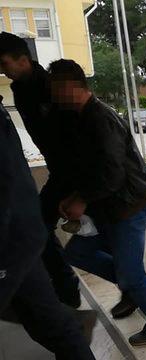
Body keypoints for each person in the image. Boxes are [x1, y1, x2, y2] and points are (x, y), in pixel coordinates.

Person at [48, 59, 146, 346]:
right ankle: (130, 287)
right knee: (78, 254)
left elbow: (112, 173)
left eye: (54, 88)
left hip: (128, 208)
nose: (52, 96)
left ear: (69, 87)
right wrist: (73, 196)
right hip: (106, 208)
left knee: (131, 274)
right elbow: (90, 169)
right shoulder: (80, 117)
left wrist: (81, 199)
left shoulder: (100, 118)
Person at [0, 97, 95, 359]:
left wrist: (82, 198)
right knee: (47, 321)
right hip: (21, 239)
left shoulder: (98, 119)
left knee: (49, 322)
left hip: (13, 242)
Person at [0, 31, 81, 308]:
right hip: (59, 171)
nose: (3, 71)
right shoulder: (18, 90)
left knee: (105, 234)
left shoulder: (50, 86)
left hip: (77, 172)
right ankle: (66, 286)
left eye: (4, 64)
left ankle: (130, 288)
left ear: (23, 60)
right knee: (40, 228)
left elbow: (76, 132)